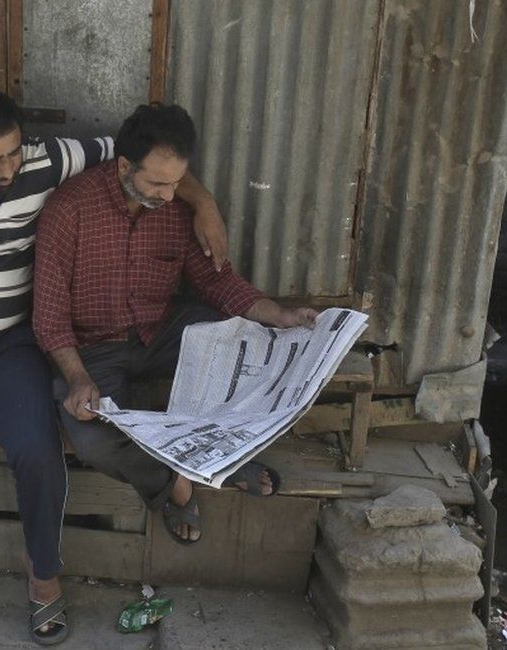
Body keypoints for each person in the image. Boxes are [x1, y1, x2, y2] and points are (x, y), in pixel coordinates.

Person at [0, 89, 228, 646]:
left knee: (38, 452)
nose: (8, 169)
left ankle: (43, 576)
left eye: (14, 154)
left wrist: (206, 205)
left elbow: (149, 163)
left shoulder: (44, 159)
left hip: (8, 347)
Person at [32, 103, 318, 547]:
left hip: (161, 330)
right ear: (124, 165)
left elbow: (213, 282)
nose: (169, 195)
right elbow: (48, 315)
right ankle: (176, 482)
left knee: (248, 341)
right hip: (92, 349)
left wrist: (278, 315)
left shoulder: (177, 208)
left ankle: (226, 453)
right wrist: (76, 378)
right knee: (93, 440)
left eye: (177, 183)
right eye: (158, 183)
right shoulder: (69, 210)